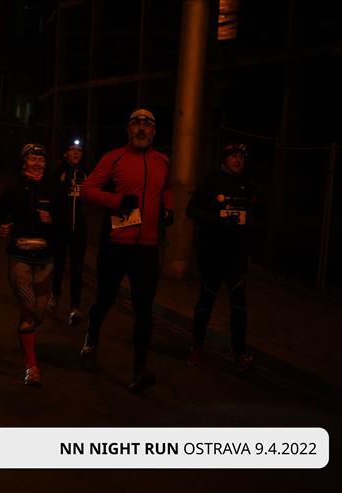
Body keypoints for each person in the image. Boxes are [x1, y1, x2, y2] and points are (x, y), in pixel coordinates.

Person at [79, 108, 173, 392]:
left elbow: (166, 189)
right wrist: (117, 201)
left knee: (144, 310)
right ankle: (91, 340)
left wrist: (168, 208)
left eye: (147, 124)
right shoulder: (114, 157)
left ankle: (138, 371)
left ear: (154, 131)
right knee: (105, 298)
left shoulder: (163, 161)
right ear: (128, 130)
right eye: (136, 123)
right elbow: (87, 190)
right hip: (116, 245)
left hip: (146, 248)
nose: (141, 128)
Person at [186, 142, 261, 372]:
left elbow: (261, 213)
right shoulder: (211, 181)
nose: (238, 160)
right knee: (206, 301)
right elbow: (192, 210)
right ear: (224, 159)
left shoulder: (248, 185)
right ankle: (197, 348)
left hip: (236, 256)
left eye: (241, 157)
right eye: (233, 156)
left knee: (239, 305)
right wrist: (218, 220)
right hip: (212, 253)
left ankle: (239, 355)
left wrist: (251, 220)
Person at [0, 143, 63, 386]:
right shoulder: (13, 187)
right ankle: (31, 367)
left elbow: (66, 219)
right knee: (28, 307)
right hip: (19, 255)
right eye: (33, 159)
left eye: (41, 160)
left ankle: (27, 333)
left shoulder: (54, 187)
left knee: (38, 314)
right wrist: (2, 227)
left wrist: (52, 219)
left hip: (45, 257)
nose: (37, 163)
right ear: (24, 162)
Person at [47, 137, 88, 327]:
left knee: (77, 267)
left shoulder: (84, 173)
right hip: (60, 227)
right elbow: (50, 196)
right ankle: (55, 295)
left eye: (79, 150)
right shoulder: (57, 171)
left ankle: (75, 306)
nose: (76, 152)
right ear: (65, 153)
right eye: (72, 149)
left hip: (79, 229)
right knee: (59, 264)